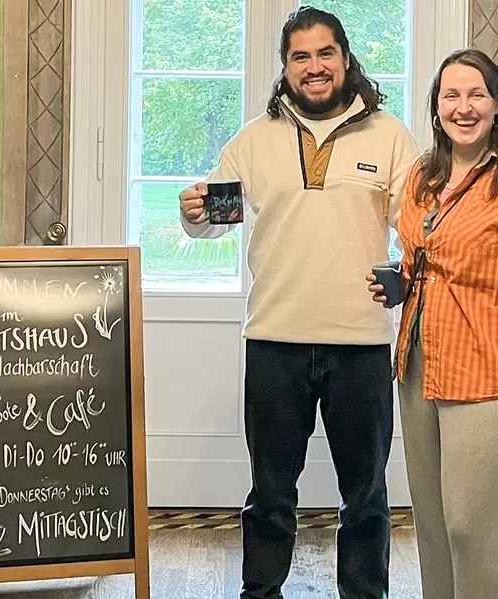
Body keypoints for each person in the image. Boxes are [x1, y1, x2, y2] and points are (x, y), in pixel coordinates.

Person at [178, 6, 420, 598]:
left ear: (345, 58)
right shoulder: (255, 141)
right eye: (300, 57)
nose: (314, 67)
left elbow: (416, 229)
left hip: (361, 343)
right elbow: (214, 220)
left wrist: (406, 280)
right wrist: (192, 216)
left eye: (324, 53)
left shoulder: (390, 135)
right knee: (270, 494)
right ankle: (260, 593)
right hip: (274, 343)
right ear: (285, 67)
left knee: (365, 497)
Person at [366, 48, 498, 599]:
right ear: (436, 108)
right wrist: (400, 282)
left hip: (492, 380)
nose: (463, 107)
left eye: (476, 94)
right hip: (418, 371)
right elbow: (423, 260)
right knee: (433, 530)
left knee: (474, 529)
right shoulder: (423, 175)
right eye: (450, 95)